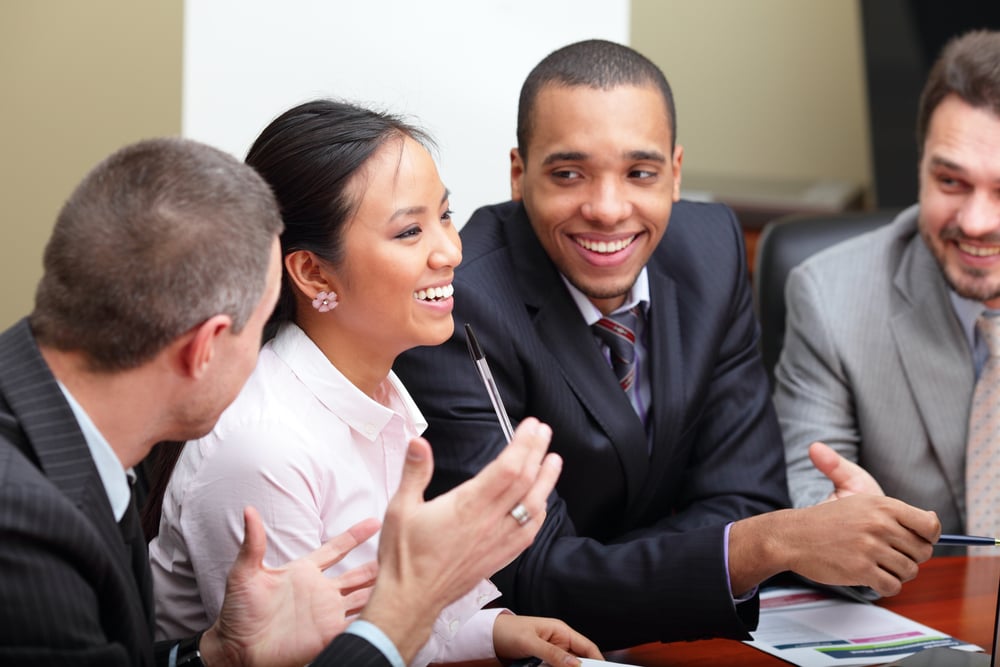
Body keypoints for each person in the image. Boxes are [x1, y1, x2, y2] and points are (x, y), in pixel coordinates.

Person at [392, 38, 943, 649]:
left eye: (640, 173)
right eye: (569, 173)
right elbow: (525, 577)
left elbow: (748, 492)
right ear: (520, 176)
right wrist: (763, 544)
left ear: (676, 174)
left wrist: (605, 565)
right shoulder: (458, 307)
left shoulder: (711, 249)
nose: (606, 209)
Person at [0, 136, 567, 666]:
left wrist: (214, 653)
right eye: (260, 327)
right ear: (204, 349)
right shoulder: (26, 529)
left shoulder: (77, 453)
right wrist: (407, 605)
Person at [147, 100, 600, 667]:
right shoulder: (264, 448)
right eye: (410, 230)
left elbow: (379, 616)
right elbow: (338, 655)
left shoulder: (377, 390)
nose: (451, 251)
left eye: (445, 215)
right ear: (313, 272)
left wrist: (495, 631)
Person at [774, 30, 1000, 543]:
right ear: (920, 168)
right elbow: (813, 493)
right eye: (951, 182)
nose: (977, 221)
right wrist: (847, 529)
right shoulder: (829, 297)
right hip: (916, 601)